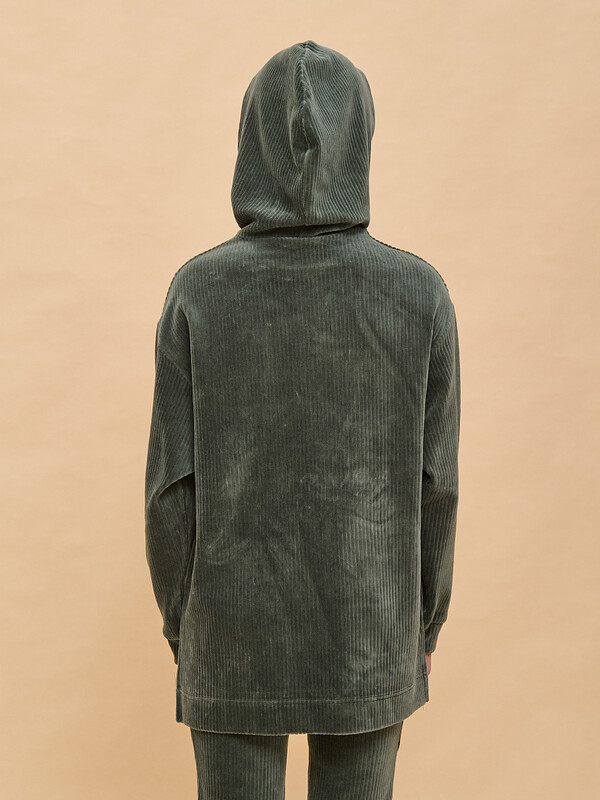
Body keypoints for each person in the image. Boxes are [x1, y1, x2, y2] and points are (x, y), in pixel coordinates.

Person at [145, 39, 461, 799]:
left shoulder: (199, 290)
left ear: (250, 139)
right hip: (369, 629)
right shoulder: (419, 293)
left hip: (232, 631)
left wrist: (186, 629)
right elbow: (437, 483)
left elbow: (170, 488)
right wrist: (422, 627)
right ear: (363, 141)